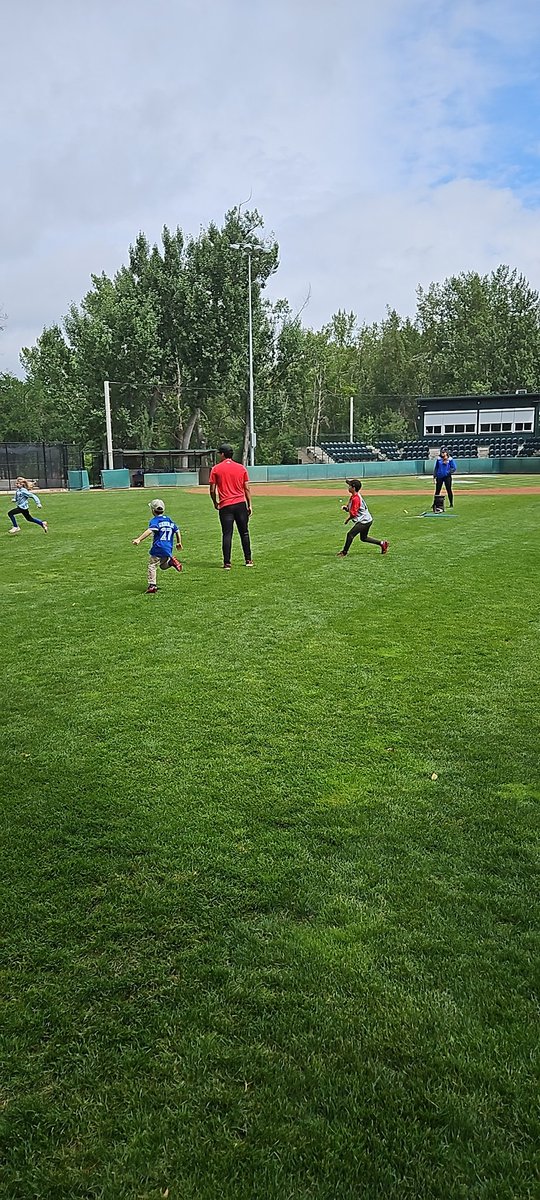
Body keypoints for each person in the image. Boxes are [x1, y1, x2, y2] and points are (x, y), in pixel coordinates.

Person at [209, 444, 253, 568]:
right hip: (240, 504)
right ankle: (248, 560)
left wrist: (215, 502)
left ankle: (227, 563)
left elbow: (212, 490)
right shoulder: (241, 468)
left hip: (225, 505)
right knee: (244, 532)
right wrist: (249, 505)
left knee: (227, 534)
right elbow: (247, 488)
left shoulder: (216, 469)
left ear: (222, 454)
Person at [132, 499, 183, 594]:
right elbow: (177, 530)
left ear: (152, 510)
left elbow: (150, 530)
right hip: (168, 548)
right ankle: (171, 562)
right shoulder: (169, 520)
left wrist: (139, 539)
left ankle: (152, 585)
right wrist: (179, 542)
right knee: (163, 566)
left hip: (158, 547)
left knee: (152, 565)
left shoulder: (155, 521)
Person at [337, 479, 388, 557]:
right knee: (363, 538)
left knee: (350, 534)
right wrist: (346, 508)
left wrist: (347, 519)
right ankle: (382, 543)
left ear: (353, 488)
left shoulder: (355, 499)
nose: (348, 487)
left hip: (364, 521)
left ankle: (344, 552)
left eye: (350, 486)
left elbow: (354, 514)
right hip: (367, 520)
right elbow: (353, 509)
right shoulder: (354, 497)